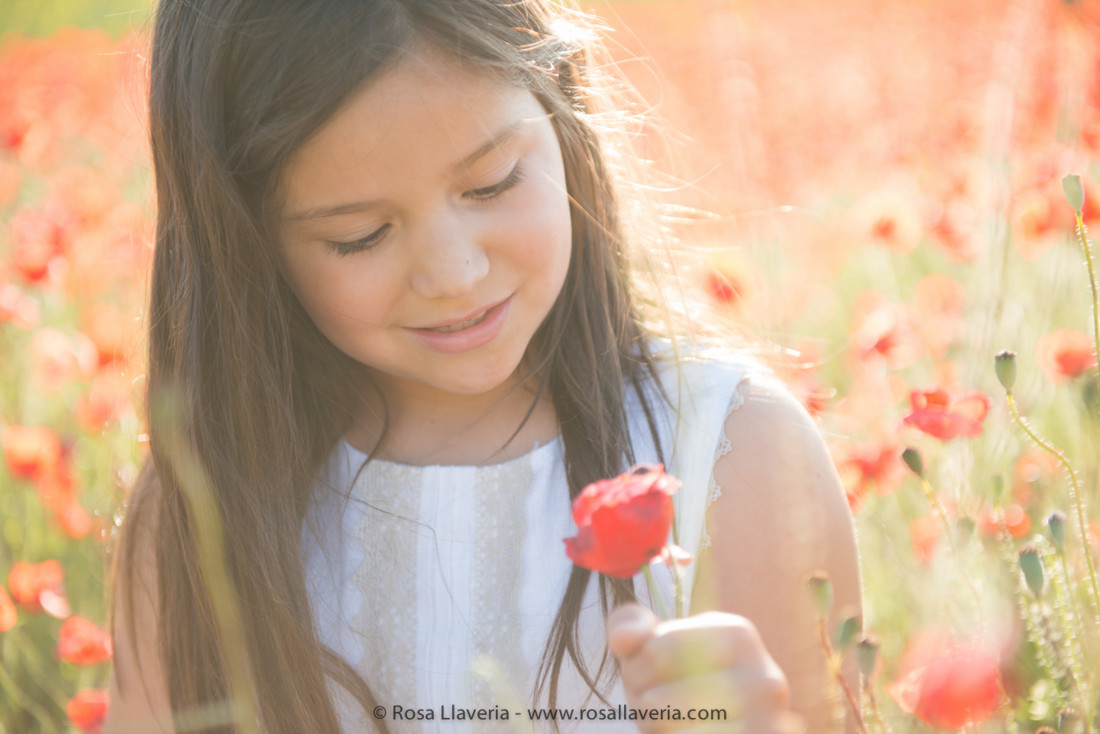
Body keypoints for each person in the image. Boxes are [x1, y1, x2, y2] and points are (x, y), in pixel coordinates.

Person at [105, 1, 861, 732]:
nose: (455, 273)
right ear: (245, 243)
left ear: (560, 110)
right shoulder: (208, 504)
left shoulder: (736, 456)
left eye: (493, 182)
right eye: (360, 235)